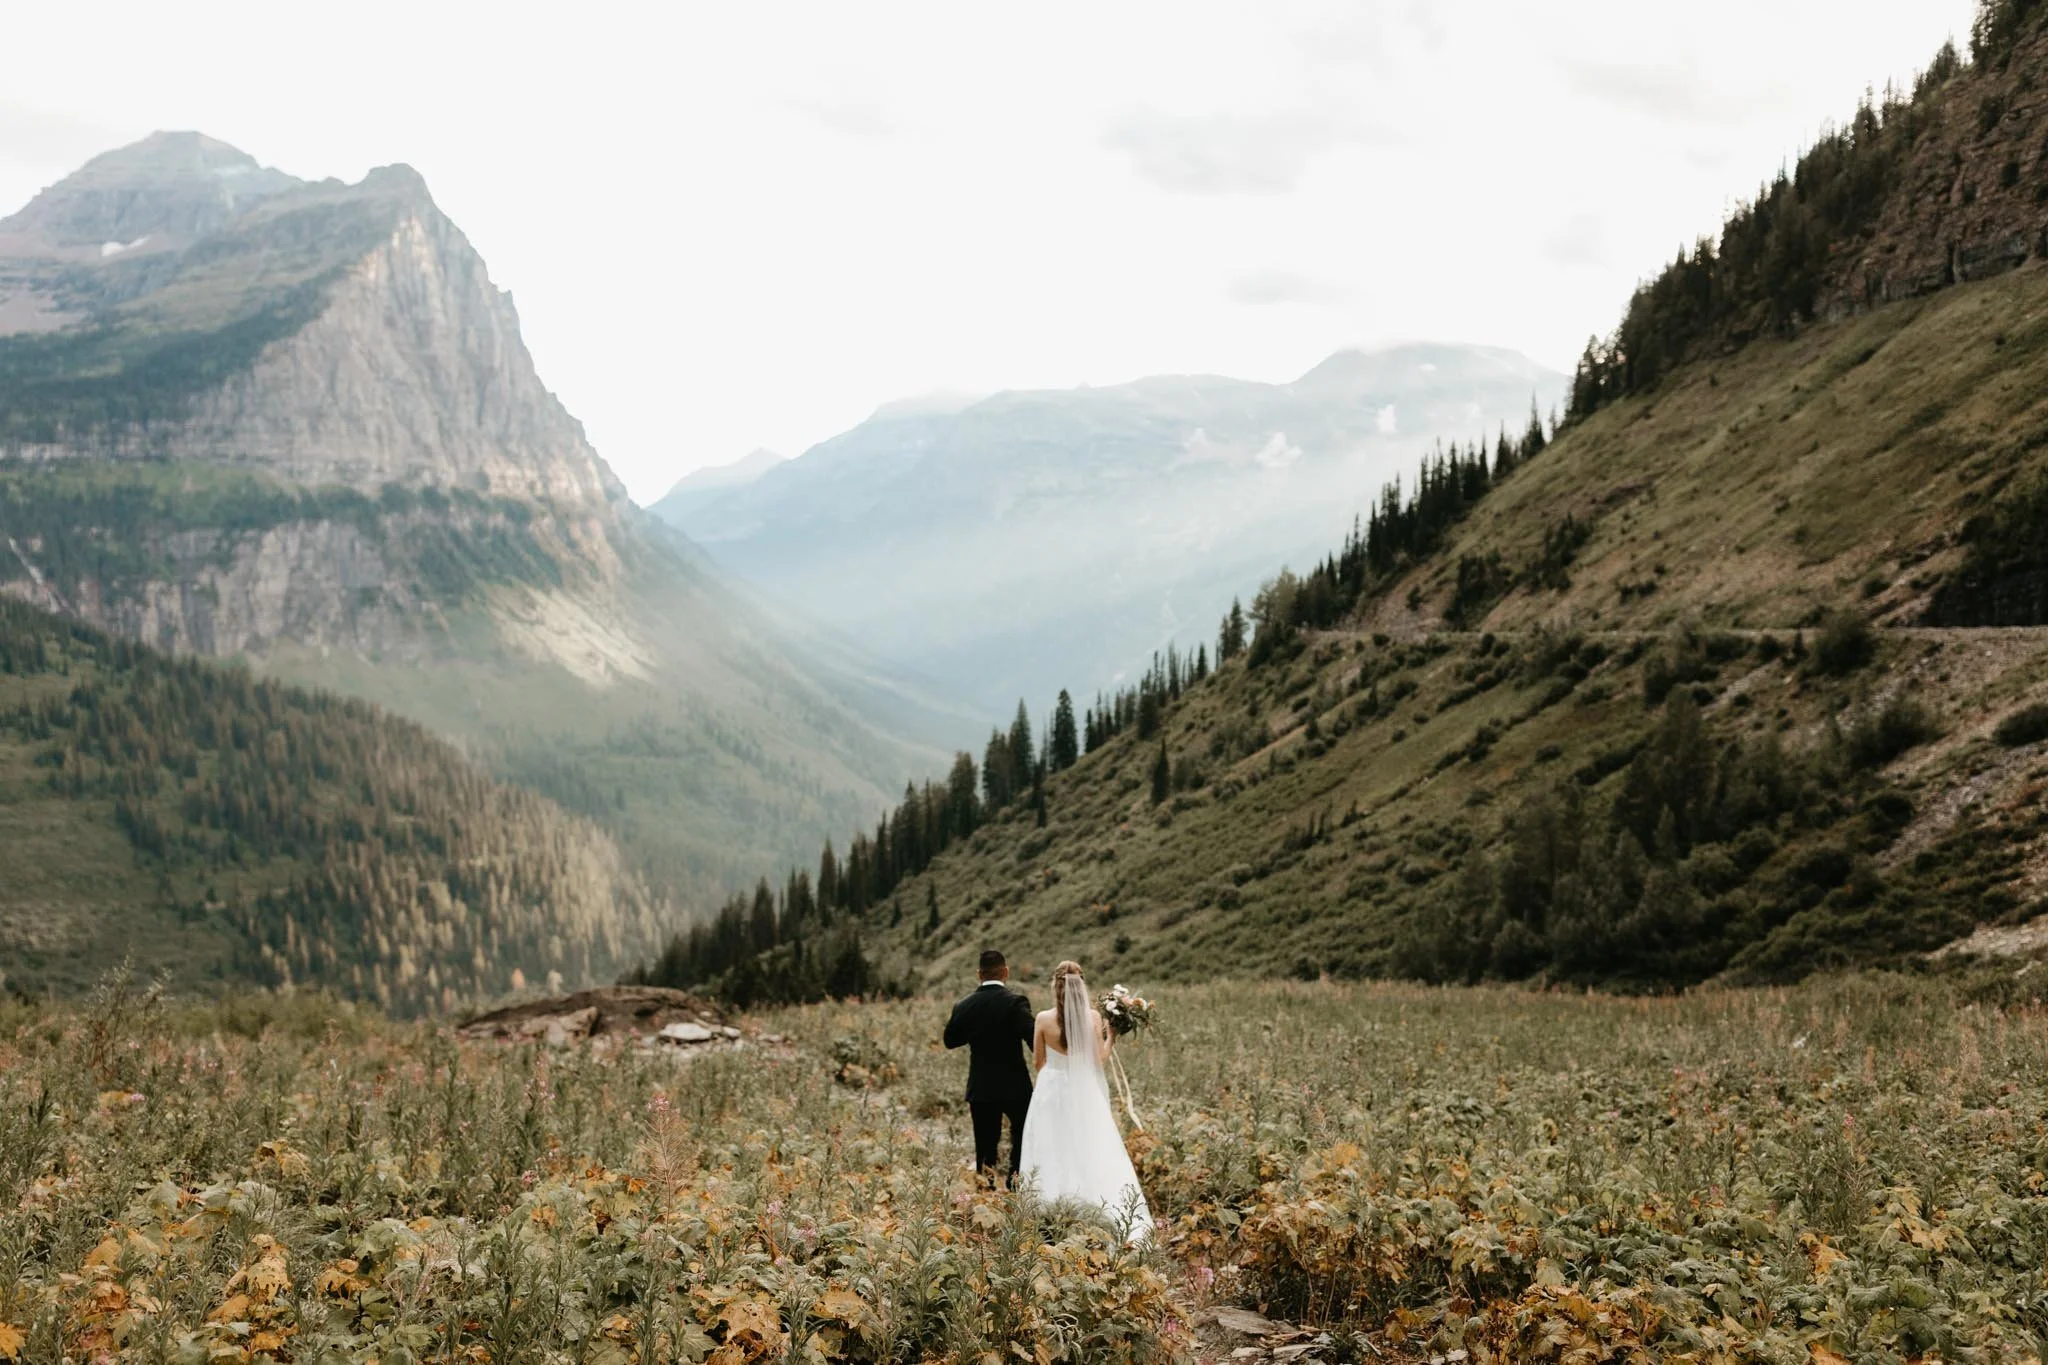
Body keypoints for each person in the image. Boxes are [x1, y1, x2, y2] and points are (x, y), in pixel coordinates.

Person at [1017, 959, 1153, 1242]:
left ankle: (1050, 1211)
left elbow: (1038, 1063)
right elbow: (1099, 1061)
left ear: (1055, 985)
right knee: (1088, 1143)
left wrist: (1057, 1073)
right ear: (1082, 985)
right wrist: (1111, 1037)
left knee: (1051, 1146)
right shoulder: (1092, 1018)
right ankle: (1093, 1205)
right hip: (1083, 1090)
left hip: (1050, 1091)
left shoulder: (1042, 1019)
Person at [943, 948, 1035, 1183]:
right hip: (1015, 1085)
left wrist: (976, 1031)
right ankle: (1015, 1183)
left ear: (978, 974)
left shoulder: (964, 1005)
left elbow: (951, 1041)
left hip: (981, 1085)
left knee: (984, 1143)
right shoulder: (1015, 1002)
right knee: (1022, 1137)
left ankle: (986, 1188)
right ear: (1005, 971)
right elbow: (1034, 1039)